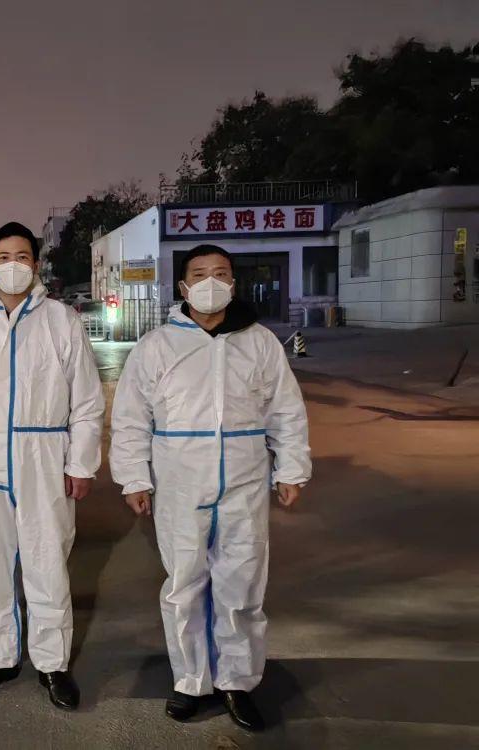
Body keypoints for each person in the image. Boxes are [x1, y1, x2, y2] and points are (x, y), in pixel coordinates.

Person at [110, 244, 311, 732]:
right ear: (183, 287)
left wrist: (290, 469)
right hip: (179, 481)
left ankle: (237, 682)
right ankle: (190, 681)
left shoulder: (259, 343)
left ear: (233, 284)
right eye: (199, 274)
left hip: (244, 481)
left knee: (241, 584)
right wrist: (134, 477)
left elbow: (285, 409)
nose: (210, 282)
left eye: (220, 273)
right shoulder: (157, 345)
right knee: (184, 584)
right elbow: (131, 418)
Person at [0, 221, 104, 710]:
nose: (13, 266)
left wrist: (81, 464)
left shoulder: (61, 321)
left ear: (36, 264)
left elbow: (86, 399)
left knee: (47, 562)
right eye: (4, 257)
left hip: (43, 455)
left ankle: (52, 664)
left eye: (23, 257)